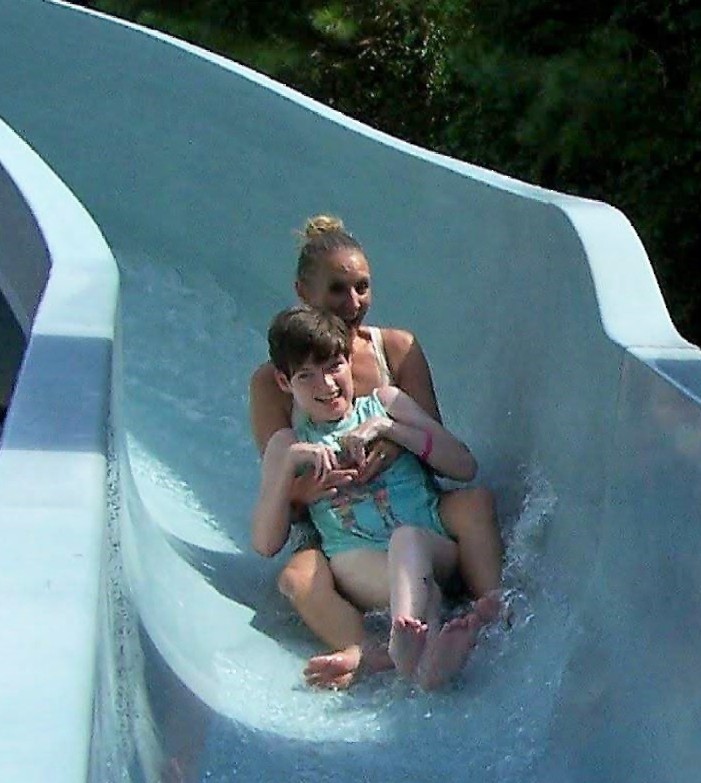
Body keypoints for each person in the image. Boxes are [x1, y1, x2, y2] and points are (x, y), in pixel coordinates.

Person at [249, 215, 502, 688]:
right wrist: (306, 477)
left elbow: (453, 461)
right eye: (337, 290)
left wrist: (387, 435)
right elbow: (275, 519)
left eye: (361, 287)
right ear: (304, 291)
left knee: (439, 524)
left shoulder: (391, 367)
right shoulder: (275, 388)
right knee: (301, 576)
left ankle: (482, 613)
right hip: (344, 535)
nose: (353, 304)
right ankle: (401, 654)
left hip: (413, 516)